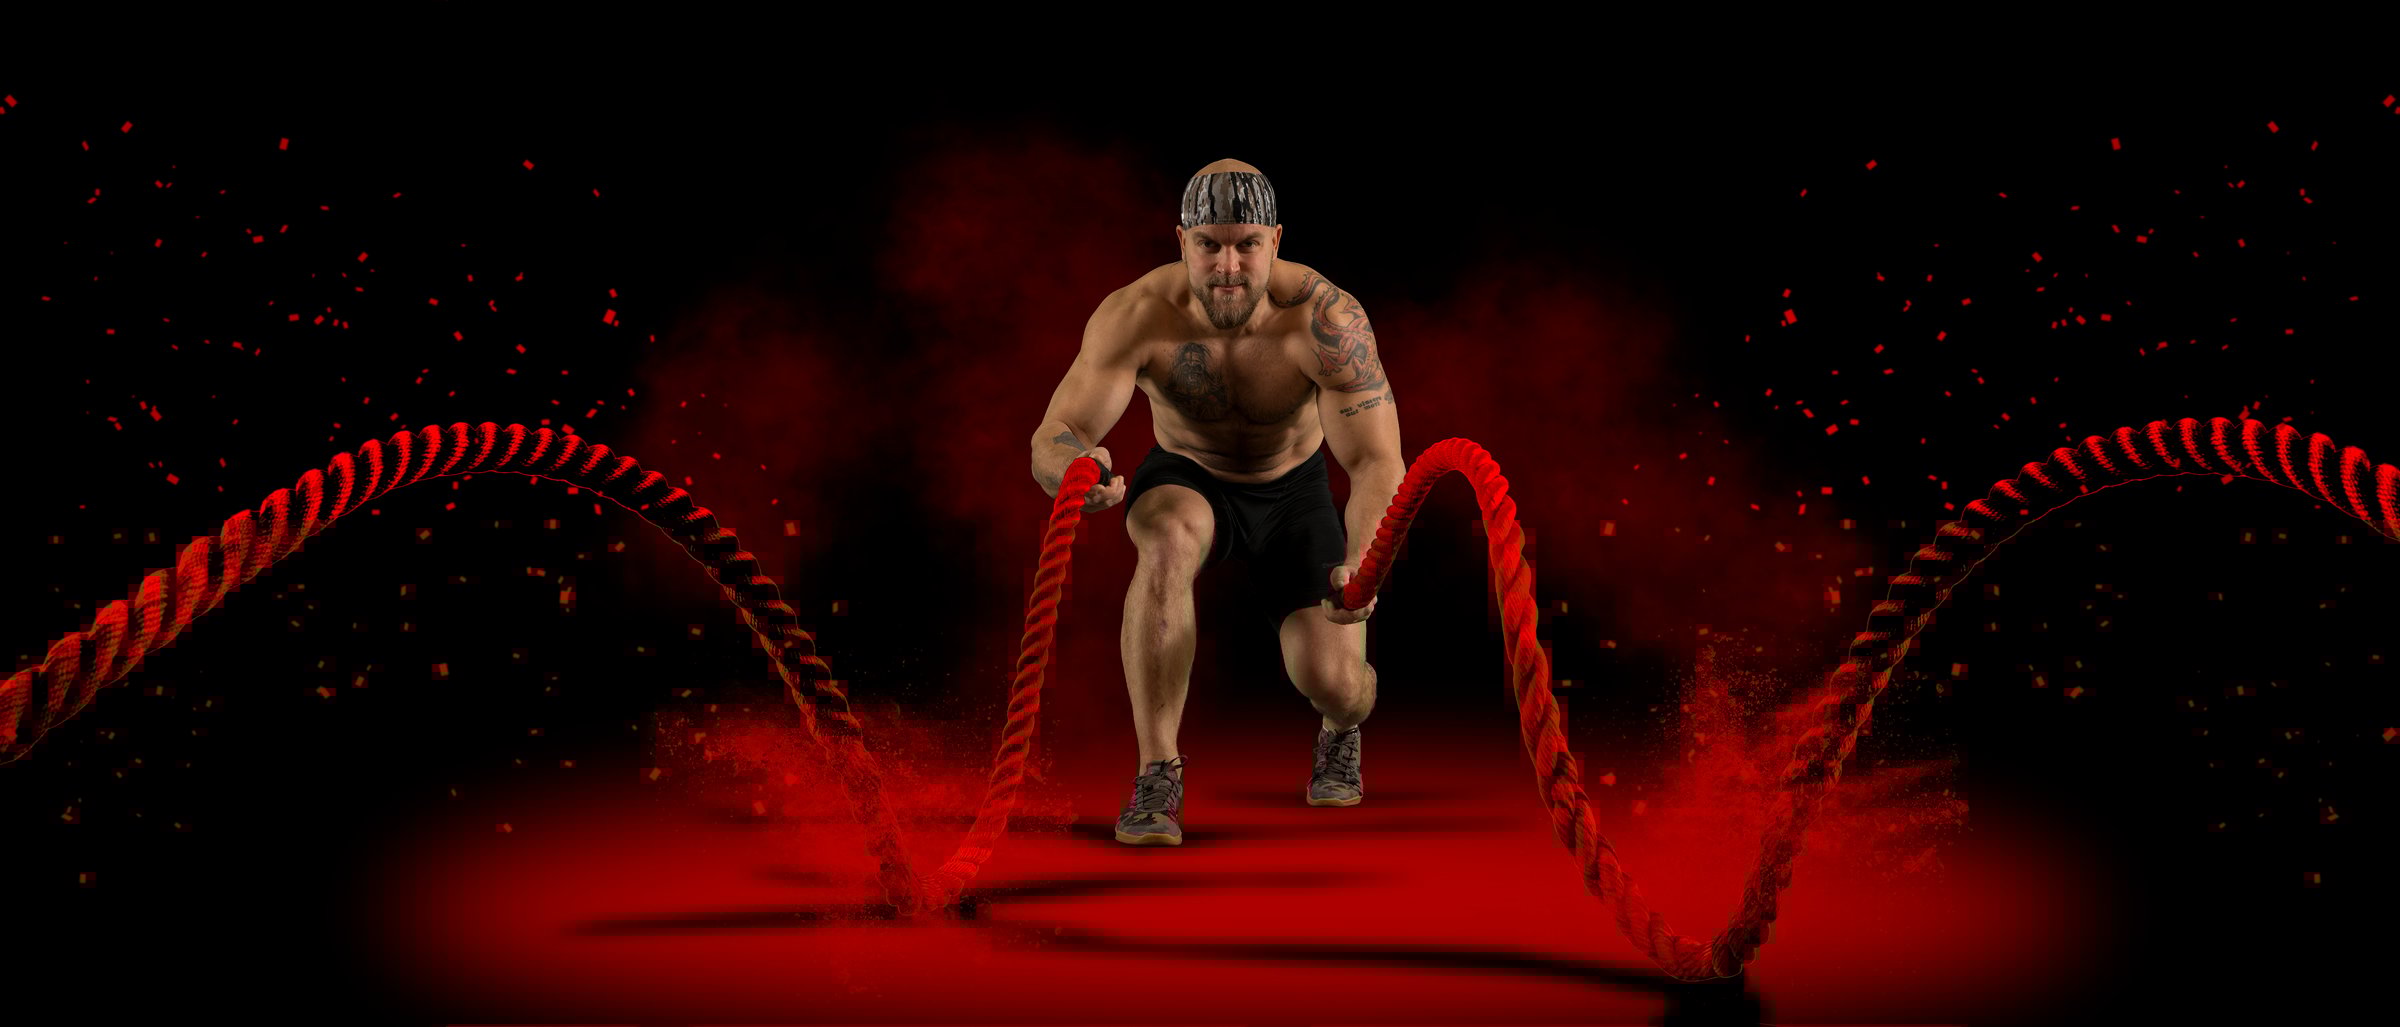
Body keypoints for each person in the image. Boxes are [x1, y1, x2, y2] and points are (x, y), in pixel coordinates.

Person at [1028, 159, 1407, 846]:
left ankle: (1340, 728)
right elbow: (1055, 433)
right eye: (1209, 244)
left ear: (1276, 240)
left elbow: (1376, 459)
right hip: (1188, 473)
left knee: (1335, 682)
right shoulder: (1137, 315)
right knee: (1167, 539)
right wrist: (1073, 466)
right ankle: (1155, 775)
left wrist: (1363, 559)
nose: (1228, 265)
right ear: (1182, 240)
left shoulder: (1326, 320)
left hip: (1294, 490)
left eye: (1247, 244)